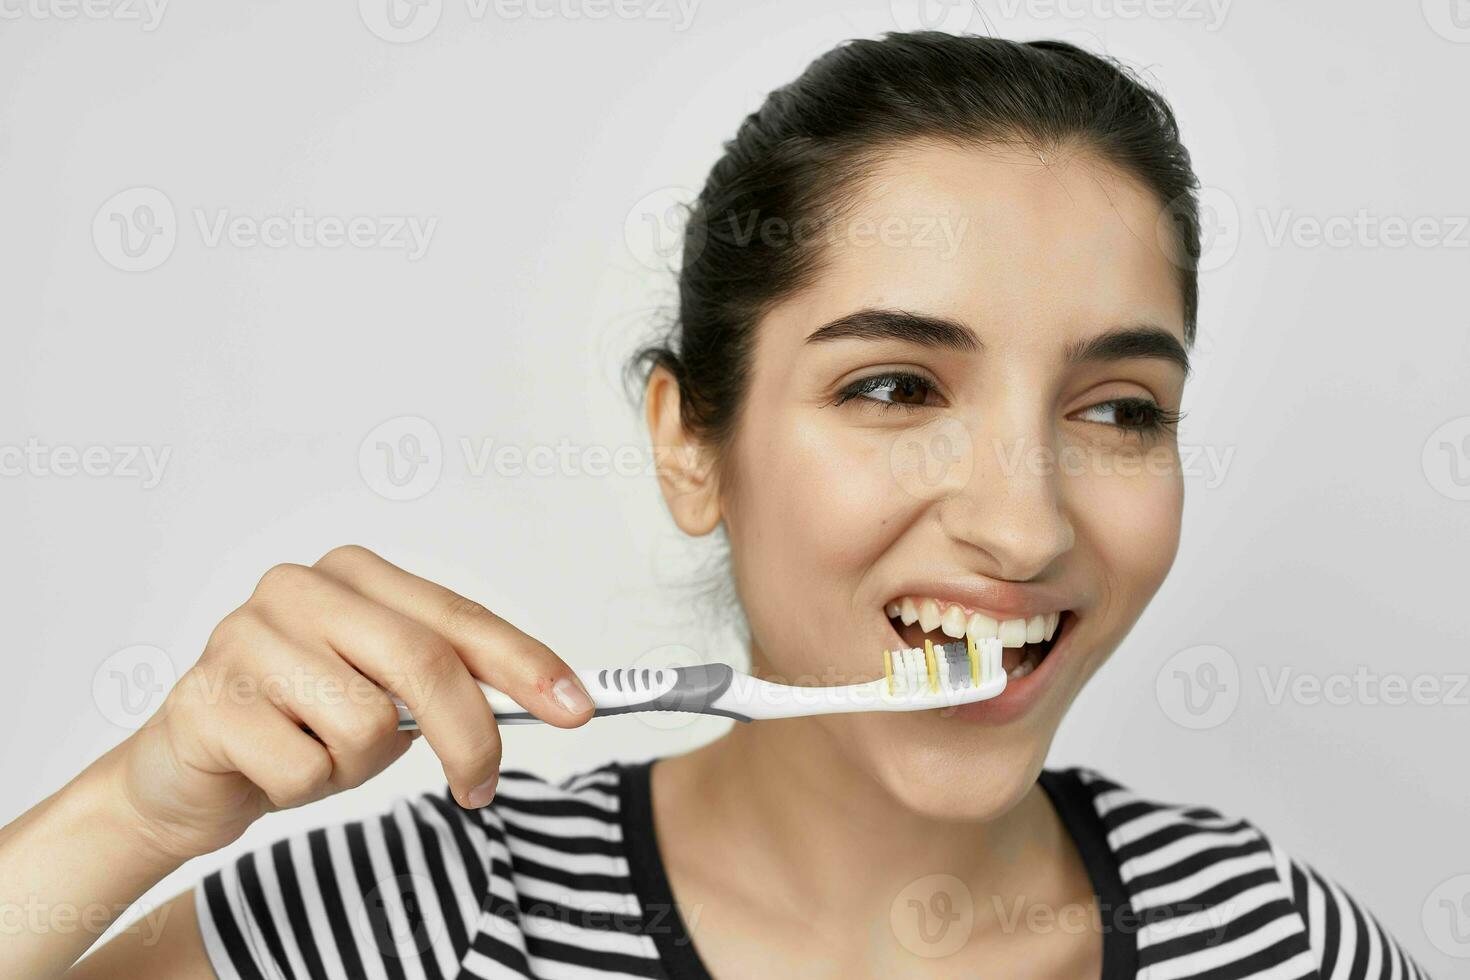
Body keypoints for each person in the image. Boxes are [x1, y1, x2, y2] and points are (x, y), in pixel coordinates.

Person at [3, 31, 1429, 980]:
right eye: (894, 388)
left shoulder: (1262, 935)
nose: (1025, 527)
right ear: (691, 446)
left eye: (1118, 411)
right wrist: (130, 813)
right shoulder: (421, 929)